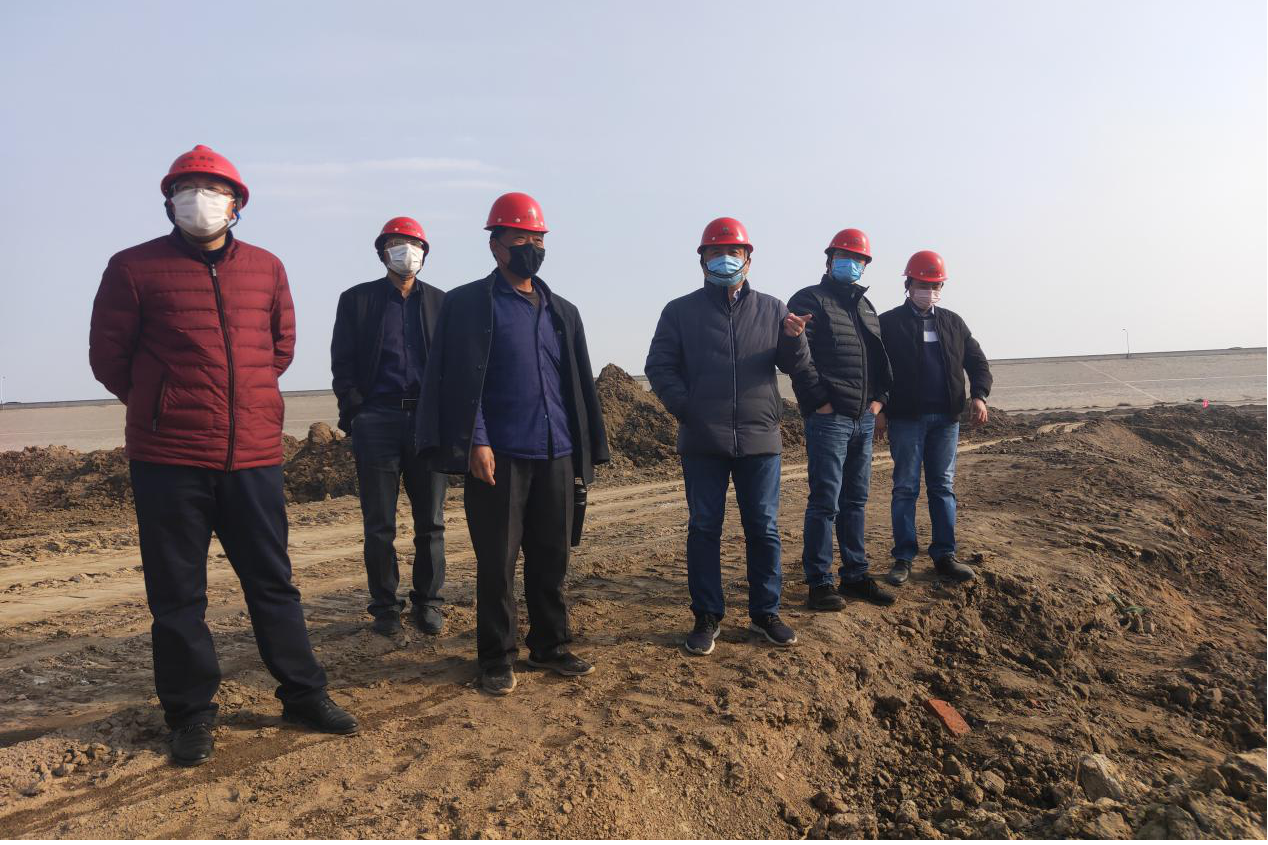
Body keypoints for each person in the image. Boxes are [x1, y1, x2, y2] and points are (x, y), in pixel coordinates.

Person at [88, 145, 358, 767]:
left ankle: (304, 694)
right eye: (186, 188)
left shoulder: (266, 267)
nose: (200, 199)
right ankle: (190, 714)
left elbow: (279, 348)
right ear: (169, 202)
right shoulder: (132, 268)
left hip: (254, 455)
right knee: (177, 596)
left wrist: (243, 403)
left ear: (237, 204)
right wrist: (164, 402)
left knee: (273, 582)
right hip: (169, 458)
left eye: (213, 189)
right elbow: (109, 358)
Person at [416, 192, 609, 696]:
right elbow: (461, 380)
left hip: (557, 451)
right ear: (495, 245)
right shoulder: (468, 305)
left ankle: (551, 644)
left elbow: (576, 385)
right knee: (498, 563)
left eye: (538, 240)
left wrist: (583, 450)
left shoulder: (562, 310)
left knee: (552, 556)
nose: (531, 248)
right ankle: (496, 656)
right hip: (498, 455)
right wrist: (476, 441)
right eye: (520, 239)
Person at [645, 217, 816, 656]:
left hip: (760, 439)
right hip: (703, 440)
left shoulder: (773, 309)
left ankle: (766, 613)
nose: (725, 260)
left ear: (748, 259)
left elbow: (795, 366)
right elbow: (659, 366)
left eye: (733, 253)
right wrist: (688, 409)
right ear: (702, 260)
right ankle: (707, 615)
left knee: (764, 528)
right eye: (715, 252)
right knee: (704, 528)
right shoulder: (679, 311)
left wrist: (794, 340)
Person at [331, 217, 448, 636]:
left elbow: (452, 364)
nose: (405, 251)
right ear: (382, 252)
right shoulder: (357, 300)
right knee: (379, 524)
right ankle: (384, 607)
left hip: (427, 422)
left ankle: (428, 602)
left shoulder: (442, 303)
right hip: (377, 419)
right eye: (396, 243)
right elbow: (342, 362)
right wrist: (356, 411)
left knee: (431, 521)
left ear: (424, 252)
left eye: (412, 243)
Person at [787, 229, 895, 610]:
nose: (852, 263)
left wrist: (879, 402)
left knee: (856, 500)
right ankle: (819, 582)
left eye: (859, 259)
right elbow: (798, 359)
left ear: (865, 265)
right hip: (829, 421)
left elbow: (879, 359)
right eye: (845, 257)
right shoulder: (809, 300)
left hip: (862, 420)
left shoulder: (866, 307)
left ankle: (855, 575)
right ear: (829, 259)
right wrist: (819, 403)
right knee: (825, 502)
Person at [877, 250, 993, 585]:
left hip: (946, 420)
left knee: (942, 486)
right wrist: (880, 408)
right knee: (905, 487)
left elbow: (978, 362)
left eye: (935, 285)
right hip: (906, 419)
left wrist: (979, 395)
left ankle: (945, 555)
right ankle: (903, 557)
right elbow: (876, 369)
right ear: (909, 284)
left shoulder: (953, 323)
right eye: (923, 284)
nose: (929, 290)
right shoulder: (889, 323)